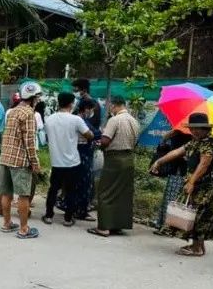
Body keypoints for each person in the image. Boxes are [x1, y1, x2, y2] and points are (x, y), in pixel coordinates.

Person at [149, 113, 213, 256]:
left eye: (197, 128)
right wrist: (159, 161)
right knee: (196, 213)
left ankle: (197, 248)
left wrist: (191, 181)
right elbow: (178, 151)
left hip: (208, 186)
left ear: (204, 128)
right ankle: (198, 245)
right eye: (192, 128)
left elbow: (204, 164)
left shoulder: (209, 141)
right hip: (198, 183)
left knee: (201, 215)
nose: (194, 131)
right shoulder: (196, 141)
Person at [88, 95, 140, 238]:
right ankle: (117, 225)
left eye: (110, 106)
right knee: (122, 193)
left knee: (106, 191)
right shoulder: (134, 121)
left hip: (114, 159)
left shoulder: (114, 120)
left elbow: (105, 141)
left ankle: (104, 227)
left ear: (114, 105)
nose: (110, 108)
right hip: (129, 158)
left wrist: (99, 141)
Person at [0, 81, 43, 239]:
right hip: (20, 160)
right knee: (23, 195)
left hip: (5, 157)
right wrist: (35, 164)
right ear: (33, 98)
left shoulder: (12, 112)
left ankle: (7, 223)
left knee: (6, 193)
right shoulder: (29, 114)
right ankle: (24, 229)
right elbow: (29, 142)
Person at [43, 92, 93, 226]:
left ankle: (48, 216)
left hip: (56, 161)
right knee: (71, 191)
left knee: (53, 189)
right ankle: (68, 218)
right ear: (71, 104)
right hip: (72, 162)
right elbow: (89, 135)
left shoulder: (49, 120)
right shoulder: (76, 120)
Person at [152, 129, 193, 235]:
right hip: (179, 170)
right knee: (174, 199)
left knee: (171, 199)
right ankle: (168, 226)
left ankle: (167, 227)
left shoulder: (181, 136)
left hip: (179, 171)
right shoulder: (182, 136)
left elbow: (164, 147)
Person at [72, 98, 101, 221]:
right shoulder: (82, 120)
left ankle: (73, 208)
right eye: (91, 109)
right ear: (86, 109)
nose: (91, 112)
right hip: (83, 154)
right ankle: (81, 211)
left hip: (75, 153)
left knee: (75, 183)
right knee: (84, 183)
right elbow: (96, 134)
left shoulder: (75, 119)